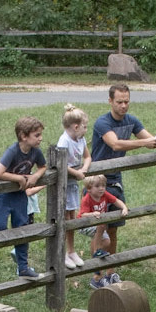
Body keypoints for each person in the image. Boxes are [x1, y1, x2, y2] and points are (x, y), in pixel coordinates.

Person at [90, 85, 156, 208]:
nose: (123, 106)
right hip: (97, 178)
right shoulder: (102, 122)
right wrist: (145, 142)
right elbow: (115, 144)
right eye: (119, 102)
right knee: (98, 223)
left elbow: (149, 139)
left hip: (116, 177)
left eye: (126, 102)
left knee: (116, 220)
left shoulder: (131, 120)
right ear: (110, 101)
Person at [0, 116, 48, 279]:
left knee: (22, 229)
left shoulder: (35, 152)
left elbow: (43, 167)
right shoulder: (13, 151)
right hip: (4, 196)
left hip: (20, 197)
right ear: (24, 136)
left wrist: (35, 176)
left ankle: (23, 267)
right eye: (36, 135)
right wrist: (19, 178)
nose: (40, 138)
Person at [55, 105, 93, 268]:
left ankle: (72, 251)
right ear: (76, 127)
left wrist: (84, 169)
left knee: (72, 216)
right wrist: (75, 173)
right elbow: (59, 163)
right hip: (63, 184)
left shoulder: (80, 139)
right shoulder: (64, 141)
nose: (86, 130)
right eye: (85, 127)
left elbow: (87, 156)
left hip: (73, 184)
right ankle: (62, 252)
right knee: (64, 218)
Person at [78, 175, 128, 289]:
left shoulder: (104, 195)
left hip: (98, 226)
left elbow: (116, 201)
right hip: (85, 224)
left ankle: (98, 267)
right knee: (102, 225)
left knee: (106, 242)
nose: (101, 188)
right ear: (89, 188)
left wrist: (124, 208)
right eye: (97, 186)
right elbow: (82, 214)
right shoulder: (87, 198)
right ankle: (96, 251)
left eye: (103, 186)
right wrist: (92, 214)